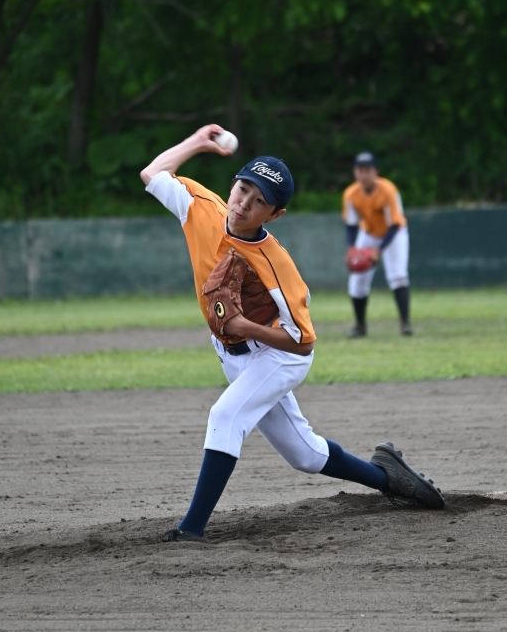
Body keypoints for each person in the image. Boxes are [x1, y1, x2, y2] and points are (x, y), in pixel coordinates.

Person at [139, 124, 443, 543]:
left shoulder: (276, 265)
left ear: (275, 214)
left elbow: (303, 341)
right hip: (232, 351)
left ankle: (191, 530)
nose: (244, 203)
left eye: (259, 201)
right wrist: (197, 142)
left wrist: (244, 326)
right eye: (243, 189)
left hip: (279, 356)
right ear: (233, 184)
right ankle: (390, 477)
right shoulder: (201, 207)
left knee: (225, 416)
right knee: (305, 454)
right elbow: (153, 173)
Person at [343, 151, 412, 338]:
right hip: (368, 233)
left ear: (376, 172)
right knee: (357, 280)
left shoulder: (388, 190)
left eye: (367, 169)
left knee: (398, 275)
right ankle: (360, 326)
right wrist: (351, 248)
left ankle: (405, 323)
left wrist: (379, 251)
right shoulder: (351, 194)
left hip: (394, 233)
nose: (364, 174)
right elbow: (351, 225)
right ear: (355, 172)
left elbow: (394, 224)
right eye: (360, 170)